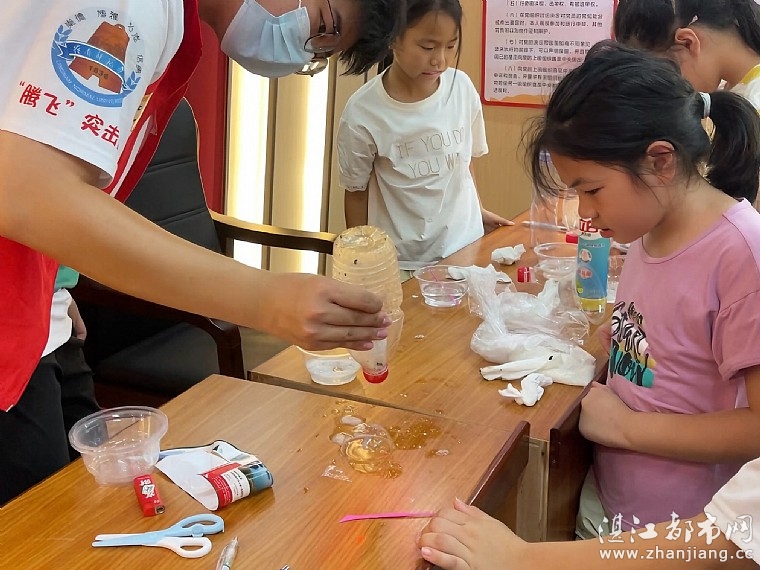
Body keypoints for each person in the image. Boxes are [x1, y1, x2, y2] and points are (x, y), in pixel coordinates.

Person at [0, 0, 404, 505]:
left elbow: (31, 164)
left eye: (319, 52)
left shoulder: (172, 22)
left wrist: (53, 283)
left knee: (79, 499)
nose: (301, 49)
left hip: (37, 308)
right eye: (322, 26)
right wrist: (263, 298)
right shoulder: (138, 7)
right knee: (35, 522)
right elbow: (27, 191)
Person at [417, 39, 760, 564]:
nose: (584, 210)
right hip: (615, 502)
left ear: (660, 161)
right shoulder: (648, 231)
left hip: (678, 536)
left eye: (592, 190)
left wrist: (626, 427)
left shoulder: (741, 253)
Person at [336, 0, 511, 279]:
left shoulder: (462, 89)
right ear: (393, 38)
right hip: (403, 262)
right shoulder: (363, 111)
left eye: (451, 45)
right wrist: (362, 259)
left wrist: (477, 210)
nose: (440, 59)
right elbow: (356, 193)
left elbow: (463, 162)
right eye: (428, 47)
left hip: (465, 249)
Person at [614, 0, 760, 108]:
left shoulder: (752, 107)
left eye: (665, 78)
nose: (667, 93)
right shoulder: (736, 88)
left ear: (687, 42)